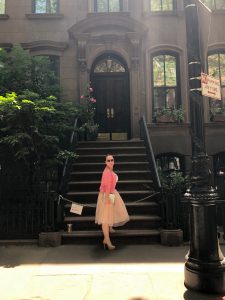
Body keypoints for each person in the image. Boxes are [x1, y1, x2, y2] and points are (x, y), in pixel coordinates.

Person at [95, 154, 129, 250]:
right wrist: (107, 199)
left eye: (112, 160)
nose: (110, 162)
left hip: (111, 194)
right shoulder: (107, 172)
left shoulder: (109, 171)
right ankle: (107, 240)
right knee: (105, 219)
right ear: (105, 162)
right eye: (108, 160)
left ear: (114, 161)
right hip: (107, 195)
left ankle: (110, 229)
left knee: (110, 214)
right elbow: (106, 186)